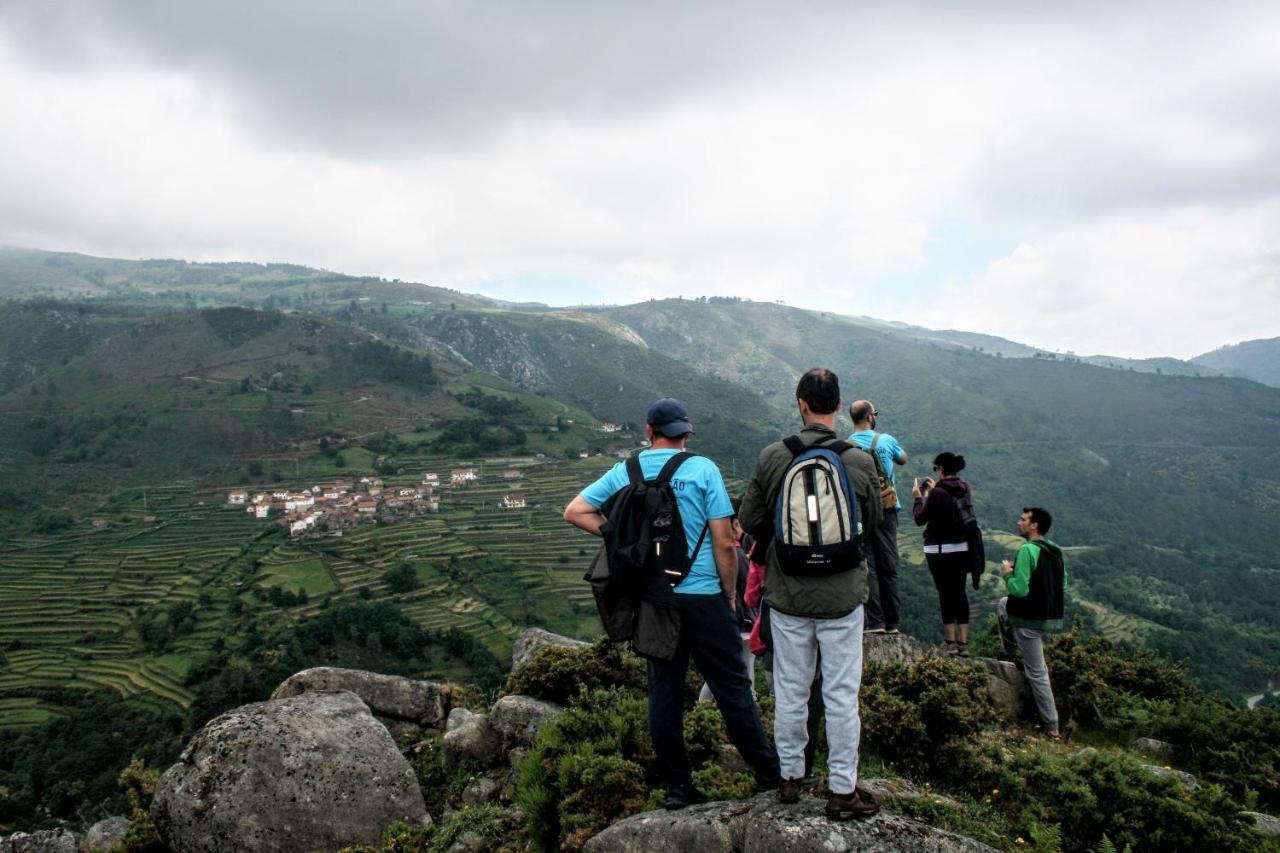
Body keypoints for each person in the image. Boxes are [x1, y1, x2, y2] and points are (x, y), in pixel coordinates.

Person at [563, 398, 780, 808]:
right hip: (703, 598)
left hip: (654, 600)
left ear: (649, 431)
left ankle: (678, 788)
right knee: (733, 689)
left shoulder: (625, 471)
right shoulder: (703, 470)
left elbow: (575, 511)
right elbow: (724, 542)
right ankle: (769, 776)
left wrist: (624, 542)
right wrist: (729, 594)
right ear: (686, 434)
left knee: (664, 692)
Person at [740, 368, 883, 820]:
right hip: (843, 598)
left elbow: (752, 520)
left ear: (801, 403)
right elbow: (875, 523)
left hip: (788, 596)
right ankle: (842, 789)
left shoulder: (773, 457)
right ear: (838, 406)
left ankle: (789, 779)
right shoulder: (859, 461)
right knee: (842, 694)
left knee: (790, 689)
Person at [998, 507, 1067, 739]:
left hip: (1029, 619)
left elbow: (1019, 589)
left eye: (1024, 520)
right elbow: (1062, 584)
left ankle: (1052, 726)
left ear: (1034, 525)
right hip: (1049, 616)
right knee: (1002, 605)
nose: (1019, 523)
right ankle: (1011, 653)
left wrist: (1007, 573)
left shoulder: (1027, 550)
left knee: (1037, 673)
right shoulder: (1055, 551)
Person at [847, 400, 908, 635]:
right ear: (870, 417)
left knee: (868, 565)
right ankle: (893, 622)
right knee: (889, 564)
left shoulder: (845, 446)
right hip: (886, 509)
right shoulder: (885, 440)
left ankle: (876, 622)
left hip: (860, 512)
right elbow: (903, 458)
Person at [912, 452, 976, 656]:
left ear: (940, 469)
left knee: (945, 593)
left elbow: (920, 519)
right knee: (960, 593)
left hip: (938, 550)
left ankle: (949, 641)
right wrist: (935, 489)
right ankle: (963, 644)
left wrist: (918, 498)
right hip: (962, 548)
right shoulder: (965, 488)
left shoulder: (938, 493)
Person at [699, 498, 758, 701]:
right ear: (734, 524)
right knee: (744, 670)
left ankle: (702, 711)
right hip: (743, 624)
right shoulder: (737, 554)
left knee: (719, 672)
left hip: (721, 621)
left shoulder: (711, 554)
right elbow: (749, 589)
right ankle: (751, 708)